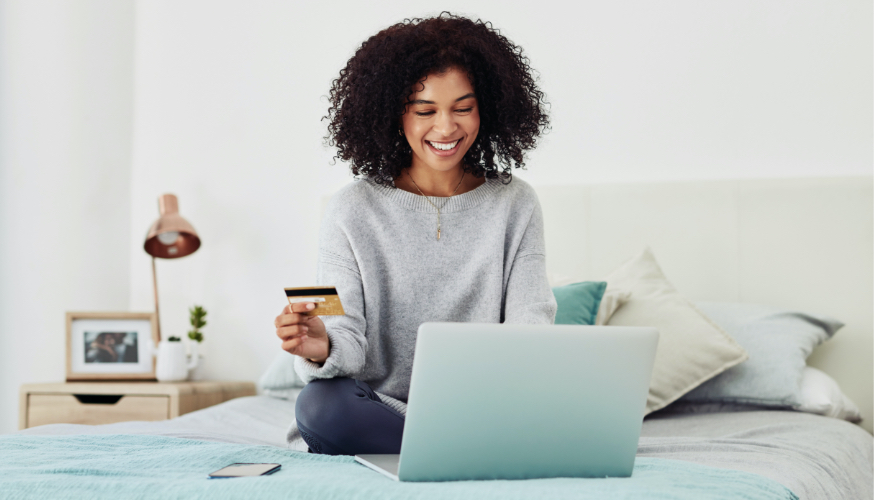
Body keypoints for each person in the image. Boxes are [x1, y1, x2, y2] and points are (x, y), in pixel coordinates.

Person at [274, 12, 556, 455]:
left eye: (463, 108)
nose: (446, 128)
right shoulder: (351, 209)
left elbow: (530, 324)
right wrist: (319, 345)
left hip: (485, 409)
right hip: (375, 409)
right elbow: (343, 333)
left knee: (553, 404)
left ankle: (446, 445)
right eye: (426, 111)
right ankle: (470, 450)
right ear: (393, 114)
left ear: (487, 107)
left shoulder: (514, 203)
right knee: (321, 406)